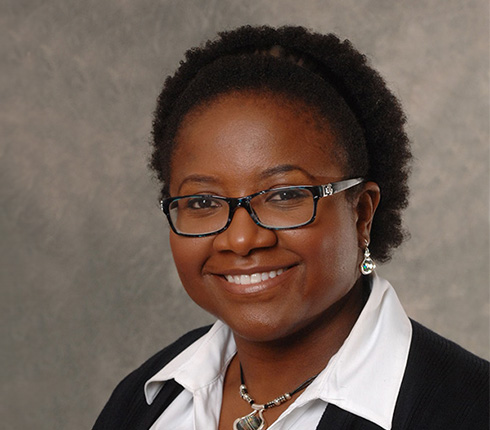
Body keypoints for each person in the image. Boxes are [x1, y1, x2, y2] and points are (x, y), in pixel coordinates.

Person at [93, 25, 488, 430]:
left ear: (362, 213)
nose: (242, 239)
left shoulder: (469, 410)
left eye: (284, 196)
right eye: (203, 202)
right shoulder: (146, 400)